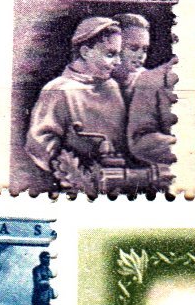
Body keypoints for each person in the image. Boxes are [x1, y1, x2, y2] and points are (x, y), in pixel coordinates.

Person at [26, 16, 136, 192]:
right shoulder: (59, 90)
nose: (118, 62)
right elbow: (39, 143)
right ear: (85, 52)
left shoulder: (112, 87)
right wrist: (76, 174)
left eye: (118, 54)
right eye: (110, 54)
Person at [120, 12, 179, 178]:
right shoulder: (92, 86)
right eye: (133, 48)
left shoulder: (150, 81)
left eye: (144, 49)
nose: (140, 55)